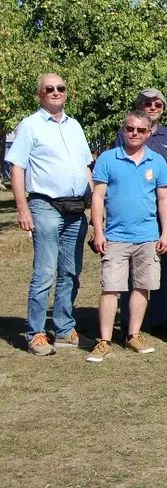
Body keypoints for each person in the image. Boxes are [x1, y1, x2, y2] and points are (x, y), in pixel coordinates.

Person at [10, 74, 94, 356]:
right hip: (45, 205)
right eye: (49, 89)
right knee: (45, 272)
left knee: (71, 272)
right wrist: (22, 208)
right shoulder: (30, 126)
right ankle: (35, 333)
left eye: (60, 88)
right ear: (39, 95)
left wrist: (93, 204)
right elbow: (17, 168)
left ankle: (64, 329)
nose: (56, 92)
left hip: (76, 207)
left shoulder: (75, 126)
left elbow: (86, 167)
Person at [86, 111, 167, 361]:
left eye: (140, 130)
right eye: (130, 129)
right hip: (115, 236)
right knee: (110, 288)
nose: (134, 133)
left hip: (147, 236)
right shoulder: (107, 159)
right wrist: (98, 231)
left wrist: (165, 233)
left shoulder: (157, 162)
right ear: (124, 129)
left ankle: (133, 334)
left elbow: (164, 199)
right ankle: (104, 340)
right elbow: (98, 197)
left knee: (142, 286)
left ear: (149, 132)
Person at [111, 88, 167, 337]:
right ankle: (130, 321)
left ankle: (159, 318)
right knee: (132, 268)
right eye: (146, 103)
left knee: (163, 266)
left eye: (157, 104)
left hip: (163, 213)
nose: (152, 107)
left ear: (163, 108)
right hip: (131, 216)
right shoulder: (124, 134)